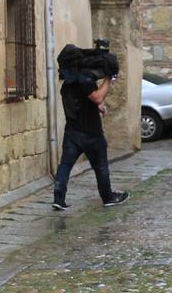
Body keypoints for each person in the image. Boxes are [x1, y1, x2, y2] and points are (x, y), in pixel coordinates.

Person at [52, 47, 130, 211]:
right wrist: (108, 79)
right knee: (101, 166)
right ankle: (108, 197)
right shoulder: (85, 79)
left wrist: (98, 107)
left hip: (72, 133)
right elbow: (97, 97)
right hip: (91, 134)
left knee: (65, 165)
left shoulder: (67, 85)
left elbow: (81, 102)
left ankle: (59, 199)